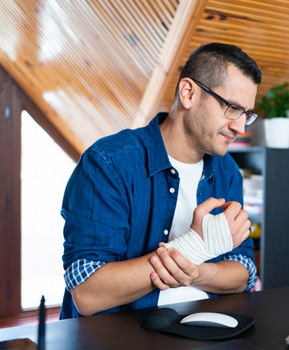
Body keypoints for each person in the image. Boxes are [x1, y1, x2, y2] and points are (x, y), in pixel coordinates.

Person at [60, 42, 262, 319]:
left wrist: (195, 271)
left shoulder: (227, 170)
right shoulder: (108, 162)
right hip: (128, 335)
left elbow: (244, 272)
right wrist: (194, 247)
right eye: (232, 108)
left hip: (209, 328)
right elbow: (87, 292)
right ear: (188, 93)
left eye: (247, 114)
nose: (240, 126)